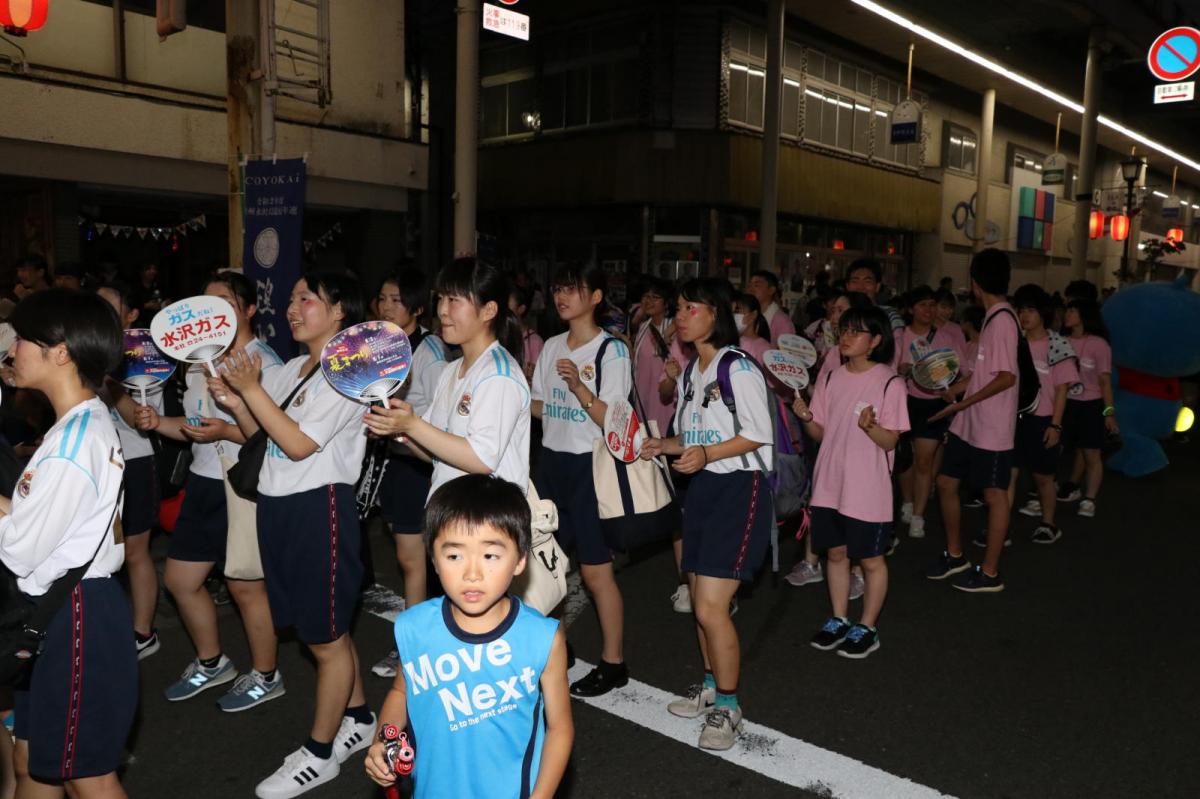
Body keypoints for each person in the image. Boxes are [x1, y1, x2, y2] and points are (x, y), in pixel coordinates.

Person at [210, 270, 375, 797]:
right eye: (292, 299)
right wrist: (239, 402)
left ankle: (320, 754)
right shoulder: (290, 371)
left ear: (340, 310)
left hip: (318, 508)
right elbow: (264, 438)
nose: (293, 307)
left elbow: (301, 445)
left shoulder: (349, 371)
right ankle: (360, 718)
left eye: (308, 298)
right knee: (325, 630)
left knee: (324, 638)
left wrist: (251, 390)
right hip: (277, 505)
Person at [1, 289, 135, 797]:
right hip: (63, 608)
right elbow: (35, 519)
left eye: (22, 339)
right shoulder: (79, 423)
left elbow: (19, 549)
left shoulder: (74, 442)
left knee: (87, 777)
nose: (12, 349)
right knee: (33, 760)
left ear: (60, 353)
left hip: (76, 615)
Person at [364, 475, 573, 799]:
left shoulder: (541, 638)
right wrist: (383, 742)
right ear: (433, 559)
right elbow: (401, 692)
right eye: (454, 556)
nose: (472, 573)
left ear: (520, 559)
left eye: (490, 556)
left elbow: (559, 727)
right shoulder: (414, 628)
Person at [136, 272, 286, 712]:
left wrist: (225, 429)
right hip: (203, 482)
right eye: (206, 304)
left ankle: (266, 676)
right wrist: (158, 423)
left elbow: (275, 437)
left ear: (249, 309)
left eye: (224, 303)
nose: (211, 313)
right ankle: (212, 662)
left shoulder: (264, 363)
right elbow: (194, 427)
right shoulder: (199, 362)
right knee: (180, 581)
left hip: (241, 485)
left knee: (246, 587)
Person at [644, 278, 774, 751]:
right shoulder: (691, 372)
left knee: (711, 607)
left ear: (715, 314)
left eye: (690, 308)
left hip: (739, 488)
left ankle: (730, 707)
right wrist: (664, 445)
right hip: (702, 487)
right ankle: (711, 686)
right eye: (678, 308)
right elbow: (691, 434)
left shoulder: (737, 367)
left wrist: (705, 453)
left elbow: (758, 433)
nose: (680, 316)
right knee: (699, 599)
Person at [531, 263, 631, 698]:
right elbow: (539, 405)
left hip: (591, 467)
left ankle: (614, 663)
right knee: (545, 566)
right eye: (558, 288)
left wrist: (579, 389)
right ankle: (559, 649)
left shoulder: (612, 351)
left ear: (595, 297)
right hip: (551, 465)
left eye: (572, 288)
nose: (562, 296)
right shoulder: (552, 345)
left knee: (595, 571)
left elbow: (616, 420)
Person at [793, 306, 907, 659]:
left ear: (875, 341)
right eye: (844, 330)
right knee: (836, 553)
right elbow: (821, 433)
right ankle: (839, 618)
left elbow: (891, 441)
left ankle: (868, 626)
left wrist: (871, 427)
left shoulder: (890, 382)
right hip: (830, 482)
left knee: (871, 560)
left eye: (856, 332)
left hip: (868, 486)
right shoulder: (830, 378)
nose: (846, 337)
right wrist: (806, 417)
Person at [367, 269, 451, 680]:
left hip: (417, 461)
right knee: (410, 555)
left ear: (418, 308)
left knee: (412, 557)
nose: (386, 307)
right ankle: (427, 635)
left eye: (396, 300)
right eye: (382, 298)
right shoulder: (380, 344)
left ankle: (411, 649)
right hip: (391, 458)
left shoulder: (428, 352)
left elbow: (439, 416)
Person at [926, 248, 1018, 592]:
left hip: (992, 426)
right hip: (970, 422)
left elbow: (1006, 378)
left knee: (994, 495)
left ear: (976, 282)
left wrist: (960, 404)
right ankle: (955, 555)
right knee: (946, 483)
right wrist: (956, 390)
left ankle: (990, 572)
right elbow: (985, 374)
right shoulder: (992, 317)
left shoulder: (1003, 320)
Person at [96, 281, 164, 658]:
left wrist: (108, 383)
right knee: (104, 551)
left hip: (135, 459)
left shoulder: (143, 353)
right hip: (98, 462)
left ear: (132, 314)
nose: (101, 312)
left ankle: (143, 633)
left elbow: (139, 419)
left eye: (110, 306)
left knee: (135, 551)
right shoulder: (92, 346)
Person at [1004, 284, 1079, 545]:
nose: (1024, 315)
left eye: (1031, 310)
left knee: (1043, 477)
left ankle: (1048, 524)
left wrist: (1055, 426)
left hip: (1043, 420)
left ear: (1043, 313)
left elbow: (1062, 390)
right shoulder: (1014, 343)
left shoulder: (1057, 345)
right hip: (1012, 419)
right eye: (1021, 310)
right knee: (1008, 474)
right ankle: (1001, 529)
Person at [894, 285, 964, 540]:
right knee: (905, 459)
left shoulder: (947, 337)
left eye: (932, 305)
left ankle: (918, 515)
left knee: (924, 461)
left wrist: (948, 383)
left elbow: (961, 369)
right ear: (911, 309)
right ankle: (907, 501)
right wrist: (901, 369)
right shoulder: (900, 336)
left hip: (933, 404)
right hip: (904, 401)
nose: (929, 310)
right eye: (923, 304)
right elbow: (889, 368)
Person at [1058, 299, 1118, 518]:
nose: (1067, 314)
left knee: (1091, 452)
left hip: (1091, 405)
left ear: (1084, 315)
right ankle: (1062, 489)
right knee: (1056, 449)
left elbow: (1104, 382)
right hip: (1064, 403)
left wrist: (1108, 413)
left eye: (1072, 311)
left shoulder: (1098, 344)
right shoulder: (1060, 341)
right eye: (1067, 310)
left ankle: (1089, 499)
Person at [632, 278, 678, 436]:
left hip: (664, 400)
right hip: (642, 396)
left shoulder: (675, 329)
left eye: (655, 297)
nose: (648, 301)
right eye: (646, 296)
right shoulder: (643, 327)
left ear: (666, 303)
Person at [846, 258, 904, 330]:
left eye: (867, 282)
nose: (861, 287)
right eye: (855, 281)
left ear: (877, 286)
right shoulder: (840, 312)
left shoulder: (888, 315)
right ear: (847, 286)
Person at [747, 270, 795, 345]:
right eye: (749, 286)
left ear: (771, 290)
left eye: (756, 285)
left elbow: (787, 350)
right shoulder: (748, 315)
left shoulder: (782, 321)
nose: (750, 289)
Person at [510, 285, 544, 382]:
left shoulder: (535, 341)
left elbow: (540, 379)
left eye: (507, 306)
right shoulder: (498, 336)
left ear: (521, 309)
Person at [732, 293, 771, 364]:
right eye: (732, 311)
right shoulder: (731, 341)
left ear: (753, 315)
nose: (733, 315)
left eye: (737, 311)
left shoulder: (764, 348)